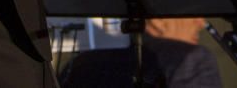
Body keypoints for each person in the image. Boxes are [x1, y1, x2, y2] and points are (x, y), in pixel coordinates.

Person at [60, 18, 223, 88]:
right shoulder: (191, 59)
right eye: (190, 12)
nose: (200, 22)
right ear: (157, 21)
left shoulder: (83, 64)